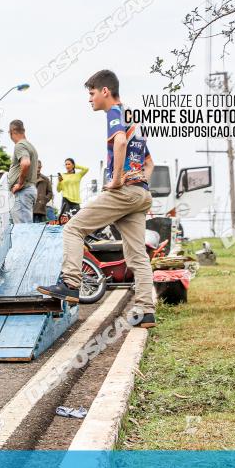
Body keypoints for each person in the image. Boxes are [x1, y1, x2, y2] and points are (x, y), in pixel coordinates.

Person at [37, 70, 155, 328]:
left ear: (105, 91)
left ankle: (71, 284)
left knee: (73, 228)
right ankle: (146, 311)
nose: (89, 99)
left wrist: (116, 180)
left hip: (123, 192)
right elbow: (149, 163)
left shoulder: (115, 112)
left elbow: (120, 143)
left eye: (91, 94)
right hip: (141, 194)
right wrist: (140, 184)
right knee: (137, 255)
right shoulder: (133, 118)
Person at [6, 119, 38, 223]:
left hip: (22, 191)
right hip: (28, 190)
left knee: (23, 230)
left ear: (12, 132)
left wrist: (19, 184)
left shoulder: (20, 145)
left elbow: (25, 163)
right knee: (23, 227)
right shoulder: (30, 146)